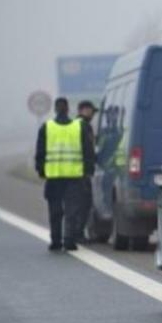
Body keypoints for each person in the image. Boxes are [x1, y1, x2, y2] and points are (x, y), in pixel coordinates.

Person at [34, 97, 95, 252]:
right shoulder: (78, 126)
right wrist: (89, 171)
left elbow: (40, 153)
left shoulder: (46, 127)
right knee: (72, 211)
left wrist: (41, 171)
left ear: (55, 109)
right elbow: (88, 152)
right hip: (74, 177)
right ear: (68, 110)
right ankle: (69, 241)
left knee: (55, 211)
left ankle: (55, 241)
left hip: (53, 177)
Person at [74, 100, 98, 244]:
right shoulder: (82, 126)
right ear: (83, 110)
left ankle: (76, 233)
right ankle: (78, 233)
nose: (93, 115)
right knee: (83, 203)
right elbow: (86, 150)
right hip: (80, 171)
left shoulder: (80, 125)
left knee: (79, 204)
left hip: (78, 170)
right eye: (91, 111)